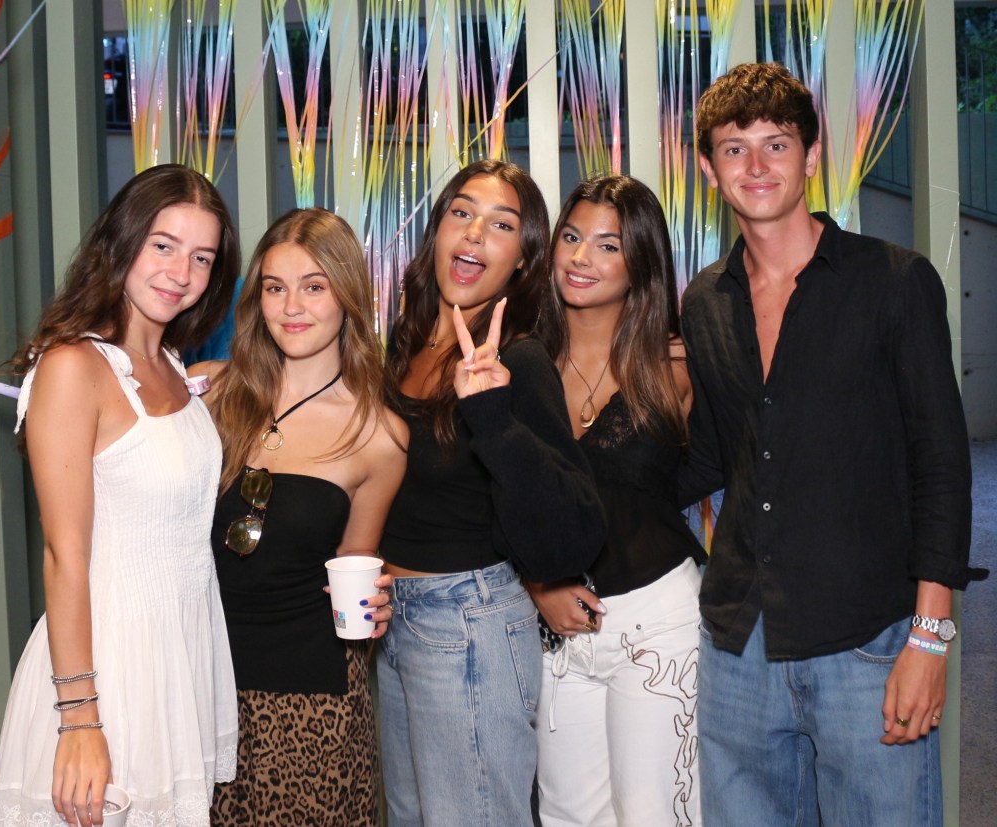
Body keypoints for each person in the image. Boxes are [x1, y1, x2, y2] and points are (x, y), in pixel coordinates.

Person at [680, 62, 986, 826]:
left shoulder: (895, 282)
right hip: (740, 643)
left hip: (869, 641)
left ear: (811, 156)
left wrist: (930, 637)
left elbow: (942, 470)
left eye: (776, 144)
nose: (756, 166)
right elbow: (714, 459)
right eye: (734, 148)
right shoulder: (704, 301)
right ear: (709, 168)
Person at [0, 163, 241, 826]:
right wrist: (78, 721)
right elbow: (64, 554)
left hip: (177, 657)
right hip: (105, 666)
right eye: (163, 245)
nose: (180, 271)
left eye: (202, 257)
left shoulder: (175, 368)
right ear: (121, 242)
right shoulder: (75, 367)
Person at [376, 158, 606, 826]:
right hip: (400, 621)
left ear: (524, 259)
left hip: (469, 620)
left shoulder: (518, 360)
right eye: (461, 212)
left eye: (502, 224)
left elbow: (575, 527)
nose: (475, 233)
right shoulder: (410, 339)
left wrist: (493, 411)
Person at [189, 208, 406, 827]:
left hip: (309, 699)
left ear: (348, 295)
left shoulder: (379, 435)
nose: (292, 306)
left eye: (314, 286)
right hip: (199, 676)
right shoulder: (210, 396)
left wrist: (374, 608)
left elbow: (357, 569)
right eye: (275, 287)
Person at [531, 174, 706, 827]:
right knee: (567, 815)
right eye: (572, 237)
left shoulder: (676, 366)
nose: (581, 258)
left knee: (655, 814)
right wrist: (534, 584)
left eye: (608, 245)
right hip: (559, 632)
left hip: (657, 624)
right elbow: (497, 498)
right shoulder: (523, 364)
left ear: (641, 260)